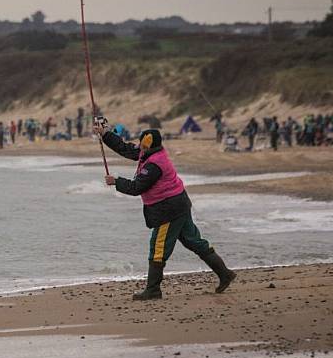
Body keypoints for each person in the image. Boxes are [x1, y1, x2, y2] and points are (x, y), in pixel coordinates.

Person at [96, 119, 236, 300]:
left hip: (168, 210)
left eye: (142, 145)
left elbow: (136, 188)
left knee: (158, 247)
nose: (140, 148)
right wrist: (105, 134)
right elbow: (127, 149)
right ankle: (225, 274)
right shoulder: (150, 152)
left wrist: (116, 181)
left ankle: (153, 290)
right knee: (194, 241)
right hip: (180, 203)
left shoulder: (154, 164)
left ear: (148, 145)